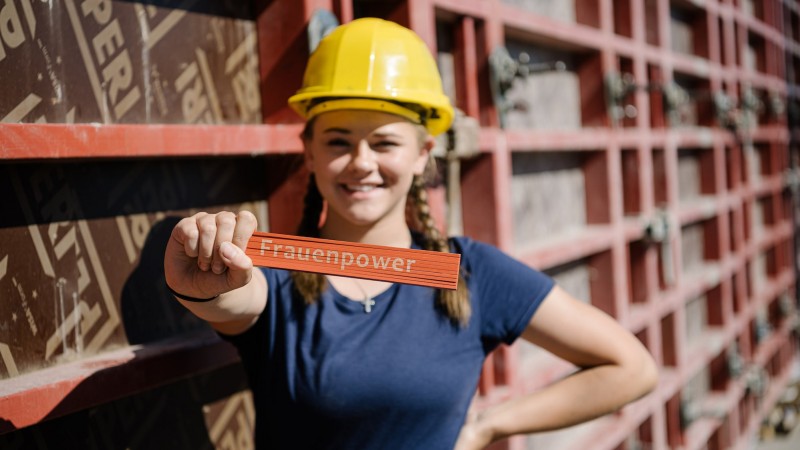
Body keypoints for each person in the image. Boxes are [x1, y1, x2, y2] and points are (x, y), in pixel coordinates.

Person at [163, 17, 658, 450]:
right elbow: (235, 298)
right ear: (309, 152)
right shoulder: (276, 271)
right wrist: (203, 286)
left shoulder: (474, 274)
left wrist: (487, 427)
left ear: (424, 154)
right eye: (338, 141)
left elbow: (631, 368)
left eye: (384, 143)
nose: (361, 163)